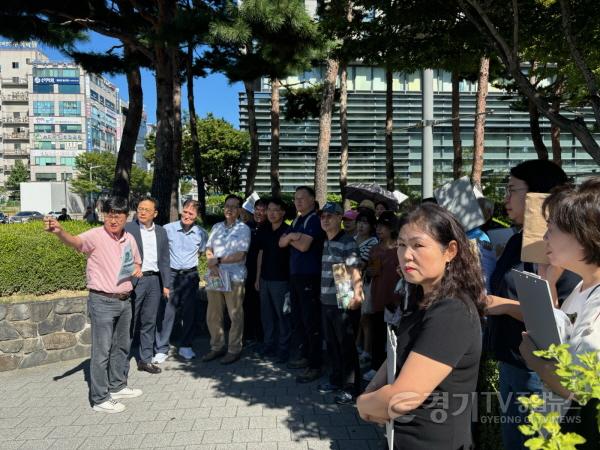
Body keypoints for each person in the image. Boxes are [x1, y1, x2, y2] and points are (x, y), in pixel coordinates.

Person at [357, 203, 486, 449]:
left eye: (418, 245)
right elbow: (401, 351)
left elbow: (402, 399)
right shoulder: (421, 297)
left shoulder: (452, 311)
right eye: (402, 244)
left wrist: (364, 405)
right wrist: (372, 393)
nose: (406, 254)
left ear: (450, 251)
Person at [485, 160, 580, 450]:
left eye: (512, 190)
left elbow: (562, 316)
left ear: (540, 196)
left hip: (541, 371)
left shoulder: (568, 250)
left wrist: (501, 305)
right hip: (512, 360)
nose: (505, 199)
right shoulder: (516, 242)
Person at [519, 178, 600, 450]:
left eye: (551, 229)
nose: (543, 239)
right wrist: (548, 283)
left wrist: (535, 361)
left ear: (582, 234)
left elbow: (581, 390)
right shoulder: (582, 286)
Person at [44, 196, 143, 414]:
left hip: (126, 300)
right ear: (104, 216)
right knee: (102, 351)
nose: (113, 220)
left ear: (127, 217)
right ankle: (100, 398)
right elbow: (76, 242)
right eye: (109, 215)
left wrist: (137, 268)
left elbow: (136, 261)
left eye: (118, 215)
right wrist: (59, 232)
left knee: (122, 347)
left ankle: (117, 386)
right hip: (103, 301)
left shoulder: (129, 239)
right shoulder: (95, 235)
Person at [317, 202, 363, 404]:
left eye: (329, 216)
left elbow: (354, 270)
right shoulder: (325, 240)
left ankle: (351, 388)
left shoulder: (347, 242)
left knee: (346, 347)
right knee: (332, 345)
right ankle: (336, 380)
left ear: (339, 218)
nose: (325, 219)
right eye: (322, 216)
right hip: (326, 300)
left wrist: (358, 294)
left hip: (343, 301)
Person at [279, 186, 325, 383]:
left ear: (312, 200)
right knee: (298, 319)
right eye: (296, 199)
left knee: (311, 321)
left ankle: (315, 365)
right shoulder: (297, 220)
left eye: (302, 198)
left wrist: (292, 238)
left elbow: (305, 246)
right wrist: (292, 237)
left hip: (310, 276)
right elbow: (281, 242)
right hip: (295, 277)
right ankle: (305, 357)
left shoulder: (314, 219)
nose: (298, 202)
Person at [154, 199, 208, 362]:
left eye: (191, 213)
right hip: (171, 275)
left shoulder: (201, 233)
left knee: (189, 312)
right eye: (185, 211)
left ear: (197, 216)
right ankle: (162, 349)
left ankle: (186, 346)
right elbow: (161, 254)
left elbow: (202, 252)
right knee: (167, 312)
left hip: (190, 276)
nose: (186, 215)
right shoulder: (167, 229)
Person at [203, 194, 251, 364]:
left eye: (234, 206)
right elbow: (208, 249)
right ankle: (216, 346)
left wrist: (218, 260)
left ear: (239, 210)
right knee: (213, 314)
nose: (229, 209)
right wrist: (212, 262)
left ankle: (234, 349)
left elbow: (240, 254)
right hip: (215, 275)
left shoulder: (243, 229)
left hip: (234, 277)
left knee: (235, 314)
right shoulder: (216, 226)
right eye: (227, 206)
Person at [124, 197, 171, 374]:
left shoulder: (161, 232)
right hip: (135, 280)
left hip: (155, 281)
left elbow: (165, 259)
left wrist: (166, 284)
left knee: (150, 321)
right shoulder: (128, 228)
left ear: (155, 213)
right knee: (130, 321)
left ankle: (145, 359)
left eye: (146, 209)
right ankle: (122, 362)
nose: (142, 212)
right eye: (140, 208)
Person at [362, 211, 403, 382]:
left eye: (383, 226)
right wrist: (369, 272)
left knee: (397, 337)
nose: (378, 229)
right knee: (378, 334)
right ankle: (375, 367)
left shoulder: (401, 249)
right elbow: (369, 271)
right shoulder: (375, 249)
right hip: (378, 298)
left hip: (397, 300)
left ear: (392, 228)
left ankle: (396, 370)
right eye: (377, 226)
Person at [255, 197, 292, 363]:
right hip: (264, 280)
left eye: (275, 209)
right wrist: (257, 278)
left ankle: (284, 349)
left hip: (282, 281)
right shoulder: (264, 229)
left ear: (283, 212)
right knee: (266, 315)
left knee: (282, 316)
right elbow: (261, 254)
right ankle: (268, 345)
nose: (271, 213)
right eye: (269, 209)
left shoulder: (288, 230)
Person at [354, 210, 379, 367]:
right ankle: (357, 346)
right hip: (347, 282)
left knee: (365, 319)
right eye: (359, 222)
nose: (361, 225)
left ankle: (367, 351)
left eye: (365, 222)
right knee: (354, 318)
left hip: (364, 284)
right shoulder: (353, 238)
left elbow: (362, 264)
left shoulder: (372, 242)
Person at [244, 198, 268, 347]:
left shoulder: (270, 228)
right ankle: (247, 335)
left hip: (264, 274)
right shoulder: (246, 227)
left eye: (263, 209)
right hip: (246, 272)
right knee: (247, 304)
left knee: (262, 306)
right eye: (257, 209)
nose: (259, 212)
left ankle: (261, 336)